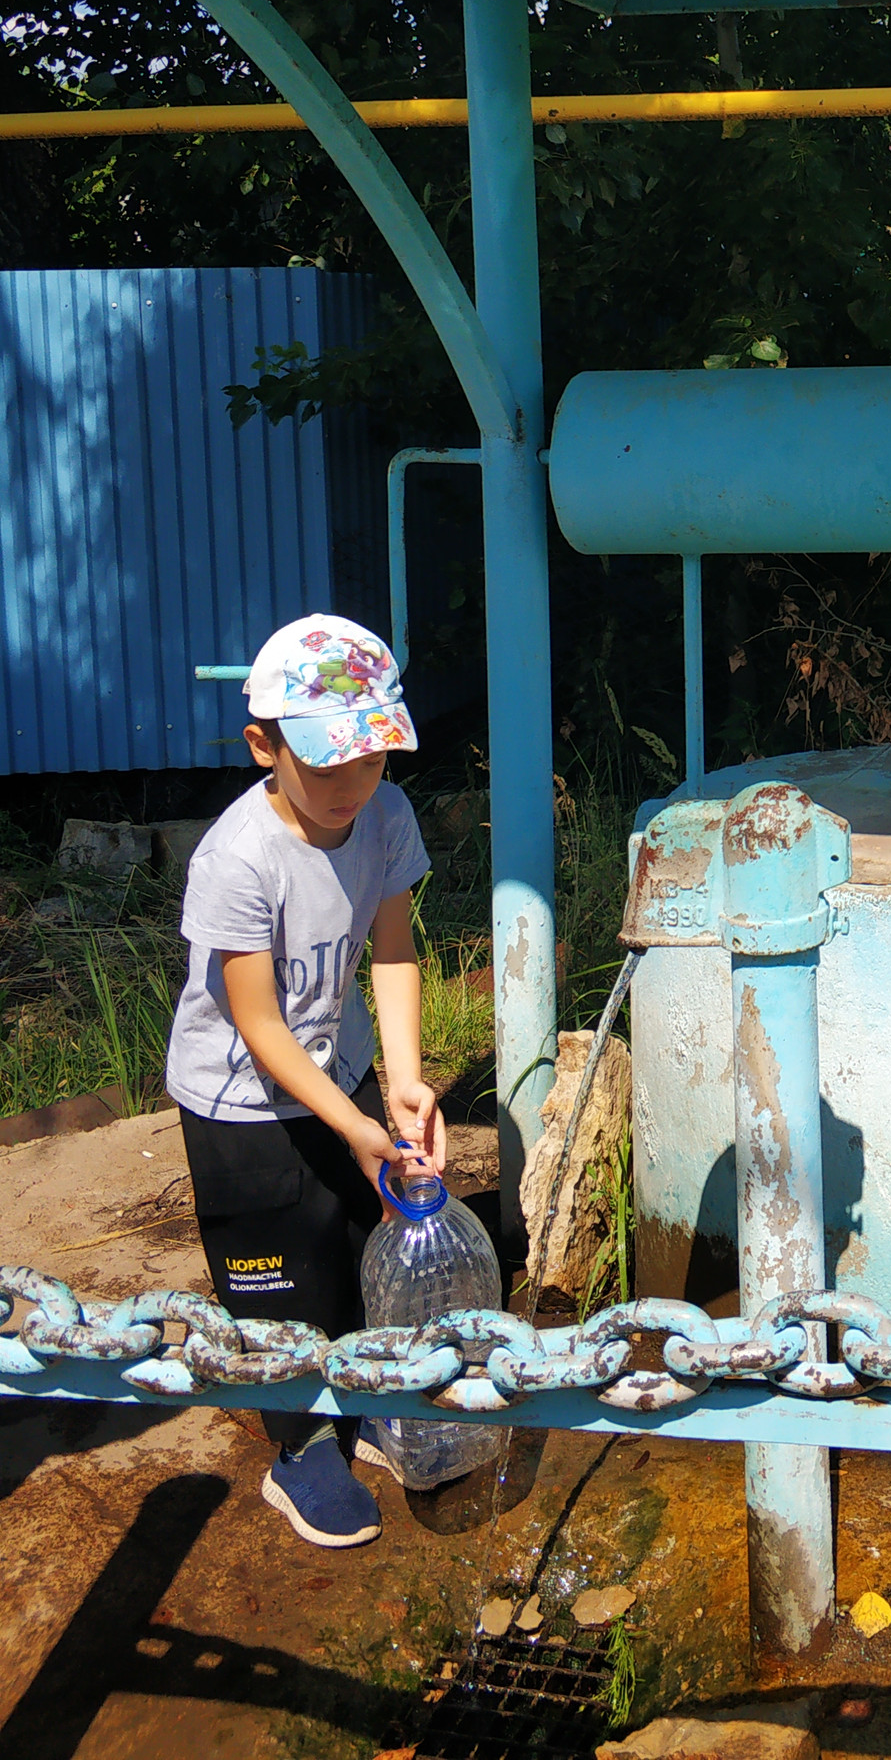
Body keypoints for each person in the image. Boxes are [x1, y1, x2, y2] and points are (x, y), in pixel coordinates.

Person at [165, 615, 443, 1548]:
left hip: (339, 1063)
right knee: (276, 1271)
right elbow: (258, 1025)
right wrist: (354, 1127)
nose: (352, 785)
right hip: (239, 1101)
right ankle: (300, 1444)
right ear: (265, 746)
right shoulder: (237, 857)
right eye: (327, 766)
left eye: (372, 760)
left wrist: (402, 1086)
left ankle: (362, 1401)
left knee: (358, 1235)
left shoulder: (386, 816)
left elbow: (392, 951)